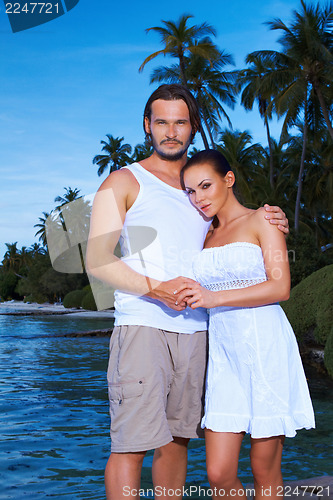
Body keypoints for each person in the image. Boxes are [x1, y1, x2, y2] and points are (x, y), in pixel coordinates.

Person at [86, 84, 289, 500]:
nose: (171, 131)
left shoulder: (198, 187)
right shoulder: (124, 180)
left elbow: (238, 229)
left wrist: (273, 216)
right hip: (143, 324)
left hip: (200, 331)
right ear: (148, 126)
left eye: (181, 122)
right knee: (130, 444)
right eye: (162, 121)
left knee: (177, 440)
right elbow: (97, 260)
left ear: (193, 127)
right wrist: (155, 289)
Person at [177, 149, 315, 500]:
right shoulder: (204, 235)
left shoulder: (262, 220)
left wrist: (213, 298)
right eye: (191, 191)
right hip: (224, 356)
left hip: (265, 346)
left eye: (205, 186)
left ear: (229, 179)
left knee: (263, 467)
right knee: (219, 474)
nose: (199, 198)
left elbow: (280, 286)